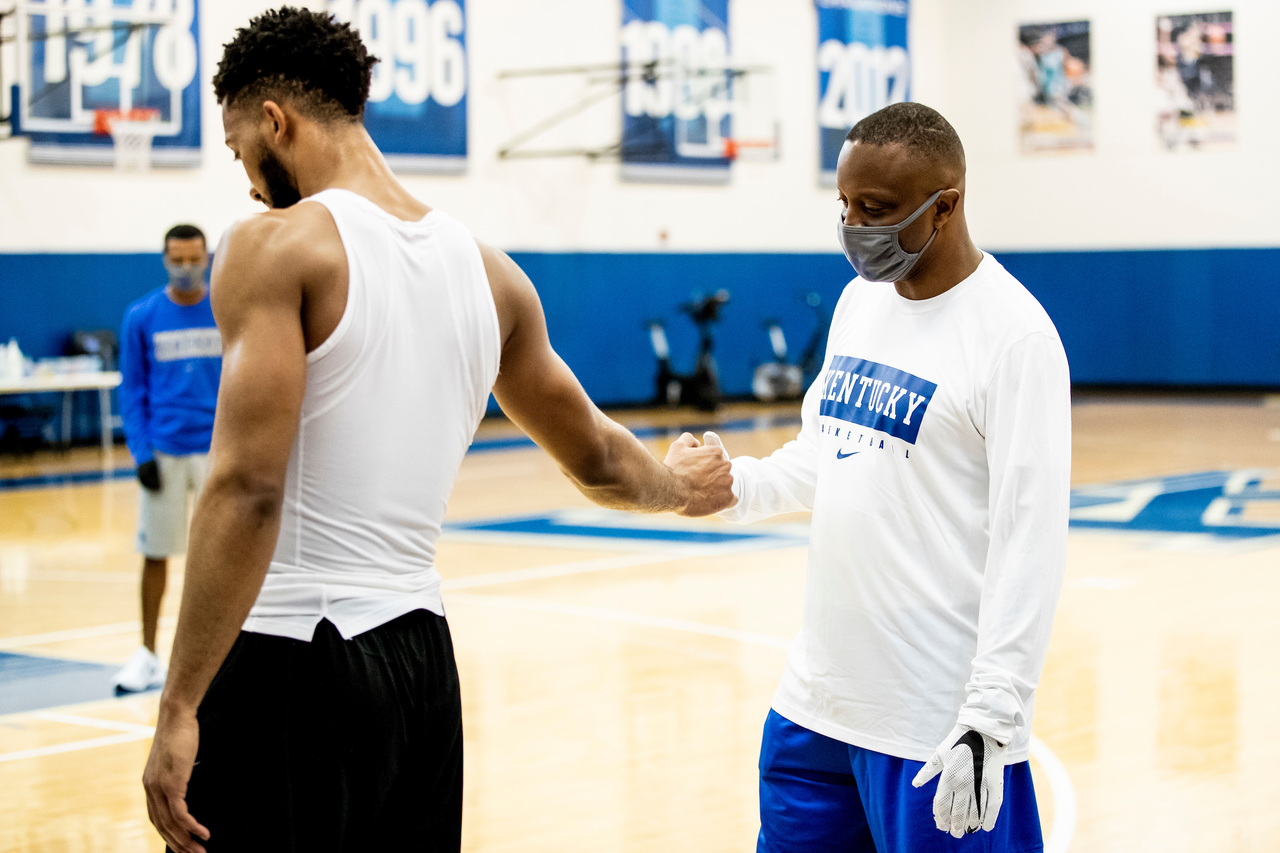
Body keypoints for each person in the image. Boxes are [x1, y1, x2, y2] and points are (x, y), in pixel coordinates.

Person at [141, 8, 731, 853]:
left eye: (240, 149)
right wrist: (682, 485)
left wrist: (178, 705)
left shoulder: (273, 246)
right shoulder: (490, 274)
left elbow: (247, 490)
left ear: (275, 121)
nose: (245, 178)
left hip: (291, 656)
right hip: (419, 663)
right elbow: (599, 457)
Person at [667, 102, 1070, 851]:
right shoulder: (860, 304)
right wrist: (731, 487)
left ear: (944, 205)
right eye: (846, 205)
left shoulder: (1015, 338)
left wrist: (992, 714)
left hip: (937, 728)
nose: (854, 226)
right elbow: (824, 452)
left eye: (877, 209)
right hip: (815, 704)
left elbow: (1032, 541)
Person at [114, 224, 220, 693]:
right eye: (177, 260)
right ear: (164, 260)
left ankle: (225, 655)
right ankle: (148, 654)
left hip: (219, 449)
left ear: (207, 258)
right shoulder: (141, 315)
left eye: (194, 259)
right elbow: (132, 390)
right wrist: (140, 453)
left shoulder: (226, 307)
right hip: (165, 449)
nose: (186, 268)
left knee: (223, 556)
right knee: (155, 553)